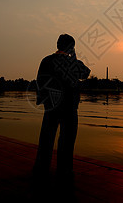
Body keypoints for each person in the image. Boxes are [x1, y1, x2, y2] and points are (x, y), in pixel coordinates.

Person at [32, 34, 91, 187]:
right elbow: (86, 72)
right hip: (70, 108)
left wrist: (43, 100)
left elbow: (40, 81)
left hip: (51, 107)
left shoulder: (46, 61)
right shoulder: (73, 63)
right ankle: (64, 170)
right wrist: (74, 57)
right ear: (71, 47)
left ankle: (41, 168)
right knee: (67, 140)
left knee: (46, 139)